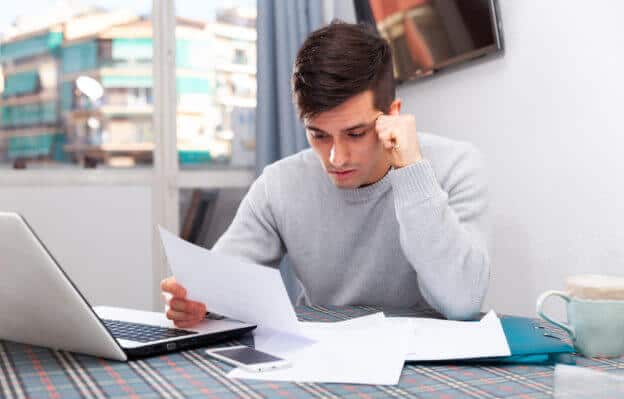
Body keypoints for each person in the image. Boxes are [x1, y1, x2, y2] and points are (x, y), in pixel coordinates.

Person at [161, 21, 490, 328]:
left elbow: (462, 303)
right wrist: (199, 300)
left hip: (429, 361)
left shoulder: (455, 166)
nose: (336, 157)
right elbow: (223, 282)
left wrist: (411, 173)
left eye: (355, 134)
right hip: (322, 351)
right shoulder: (280, 184)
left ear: (392, 115)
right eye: (319, 135)